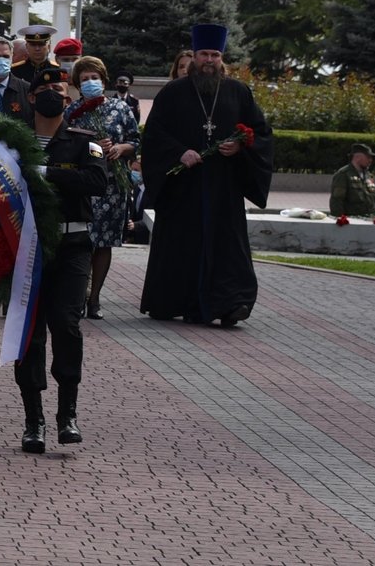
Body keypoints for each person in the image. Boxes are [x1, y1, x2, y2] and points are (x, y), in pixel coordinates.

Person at [139, 24, 274, 327]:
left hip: (223, 188)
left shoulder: (238, 92)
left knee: (227, 247)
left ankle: (232, 303)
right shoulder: (173, 92)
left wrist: (240, 145)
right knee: (182, 246)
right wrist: (179, 153)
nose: (209, 60)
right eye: (204, 54)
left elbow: (262, 133)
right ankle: (174, 300)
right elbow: (154, 136)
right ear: (195, 56)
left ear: (222, 58)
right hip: (183, 189)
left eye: (215, 54)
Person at [16, 67, 109, 453]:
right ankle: (33, 420)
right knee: (30, 333)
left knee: (67, 326)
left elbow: (97, 182)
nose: (55, 93)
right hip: (28, 247)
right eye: (47, 89)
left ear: (68, 101)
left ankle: (67, 414)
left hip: (72, 245)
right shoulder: (14, 143)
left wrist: (47, 173)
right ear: (32, 97)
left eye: (61, 89)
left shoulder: (85, 142)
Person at [70, 55, 138, 321]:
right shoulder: (72, 111)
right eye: (84, 79)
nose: (90, 83)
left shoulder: (120, 109)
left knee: (104, 242)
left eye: (94, 78)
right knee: (83, 240)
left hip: (113, 184)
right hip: (84, 184)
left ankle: (95, 297)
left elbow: (135, 140)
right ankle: (78, 294)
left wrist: (120, 148)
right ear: (77, 83)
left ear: (103, 80)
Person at [329, 143, 375, 219]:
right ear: (357, 157)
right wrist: (341, 221)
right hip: (352, 222)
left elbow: (374, 201)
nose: (370, 160)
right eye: (368, 157)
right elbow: (337, 202)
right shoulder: (344, 174)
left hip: (370, 221)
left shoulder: (368, 175)